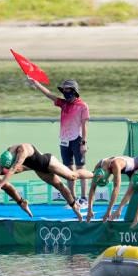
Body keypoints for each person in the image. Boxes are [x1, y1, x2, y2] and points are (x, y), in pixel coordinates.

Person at [0, 144, 93, 221]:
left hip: (49, 162)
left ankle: (93, 174)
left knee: (72, 176)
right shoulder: (7, 154)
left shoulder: (22, 150)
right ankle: (75, 208)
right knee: (60, 186)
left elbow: (12, 169)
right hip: (39, 170)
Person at [28, 78, 90, 207]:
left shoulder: (83, 106)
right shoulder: (63, 104)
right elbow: (49, 95)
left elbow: (85, 125)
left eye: (67, 89)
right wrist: (37, 84)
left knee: (80, 168)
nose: (65, 92)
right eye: (64, 90)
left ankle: (84, 199)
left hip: (77, 140)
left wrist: (83, 143)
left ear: (74, 91)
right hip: (64, 140)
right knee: (68, 170)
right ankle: (73, 199)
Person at [85, 156, 138, 224]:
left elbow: (116, 188)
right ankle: (121, 210)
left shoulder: (115, 165)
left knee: (133, 188)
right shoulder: (99, 166)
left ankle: (137, 215)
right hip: (129, 169)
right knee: (131, 189)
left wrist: (109, 210)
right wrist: (89, 209)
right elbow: (92, 188)